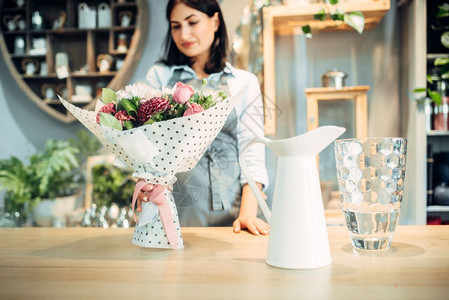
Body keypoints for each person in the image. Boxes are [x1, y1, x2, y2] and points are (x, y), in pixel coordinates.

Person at [137, 0, 269, 236]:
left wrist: (248, 213)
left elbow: (252, 151)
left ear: (215, 21)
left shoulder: (244, 82)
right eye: (176, 26)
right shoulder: (159, 76)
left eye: (192, 22)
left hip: (234, 213)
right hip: (170, 209)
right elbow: (147, 147)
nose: (183, 34)